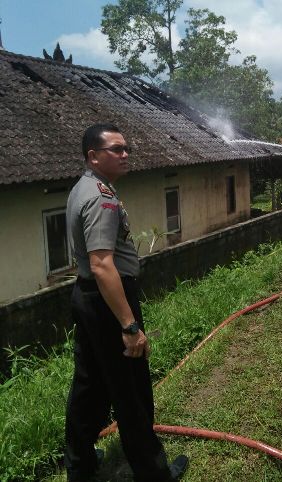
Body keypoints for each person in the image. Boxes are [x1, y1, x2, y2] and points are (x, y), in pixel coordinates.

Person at [65, 123, 189, 482]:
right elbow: (103, 265)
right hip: (108, 301)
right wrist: (130, 326)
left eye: (125, 149)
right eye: (115, 149)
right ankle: (154, 472)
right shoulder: (101, 198)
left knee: (88, 384)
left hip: (87, 297)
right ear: (93, 156)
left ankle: (81, 462)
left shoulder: (81, 188)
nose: (124, 155)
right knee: (130, 388)